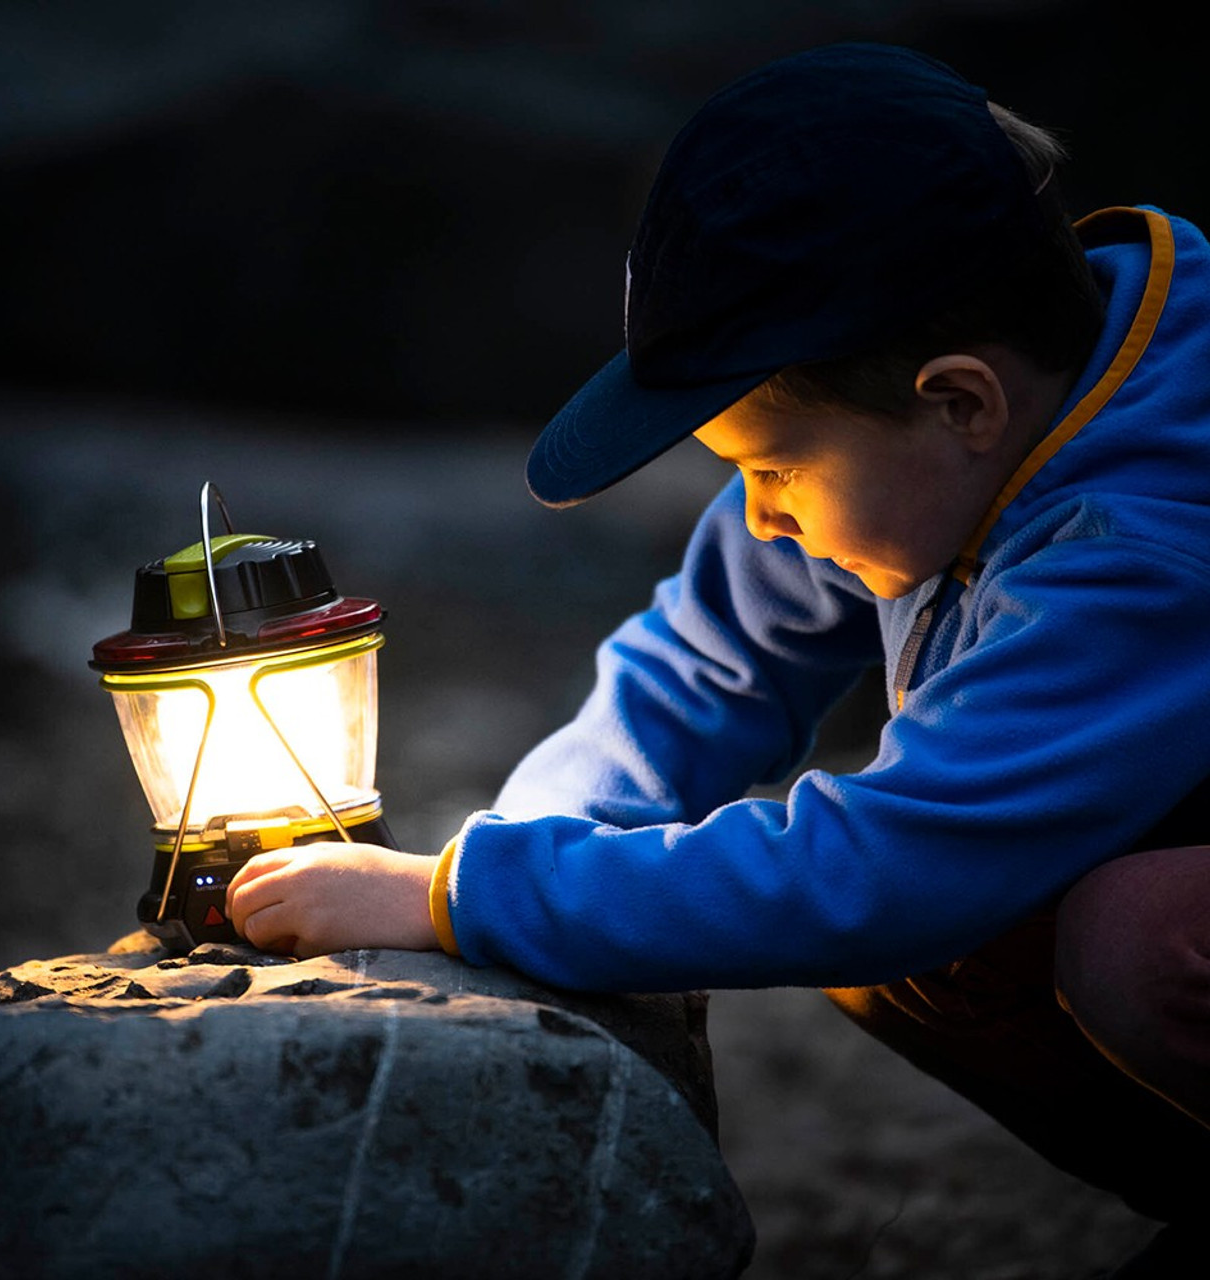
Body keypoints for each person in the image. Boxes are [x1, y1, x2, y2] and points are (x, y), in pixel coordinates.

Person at [226, 42, 1210, 1276]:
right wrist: (529, 857)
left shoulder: (1148, 537)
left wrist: (459, 897)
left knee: (1136, 936)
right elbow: (702, 667)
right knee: (925, 938)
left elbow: (884, 868)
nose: (752, 516)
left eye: (770, 466)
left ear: (959, 401)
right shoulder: (945, 414)